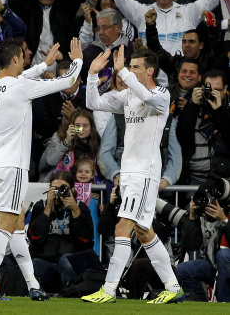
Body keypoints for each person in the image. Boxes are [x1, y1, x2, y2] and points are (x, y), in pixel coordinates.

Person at [0, 37, 83, 300]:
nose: (25, 61)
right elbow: (68, 82)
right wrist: (78, 60)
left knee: (17, 225)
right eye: (22, 57)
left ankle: (33, 285)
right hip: (11, 166)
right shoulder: (21, 86)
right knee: (5, 224)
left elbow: (19, 79)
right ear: (14, 59)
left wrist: (41, 65)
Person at [82, 46, 183, 304]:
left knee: (122, 226)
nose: (129, 71)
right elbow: (93, 103)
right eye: (130, 66)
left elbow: (147, 97)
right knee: (143, 230)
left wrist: (123, 72)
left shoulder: (161, 94)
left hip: (144, 173)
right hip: (129, 172)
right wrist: (93, 76)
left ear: (150, 71)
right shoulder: (128, 95)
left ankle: (109, 289)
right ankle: (172, 286)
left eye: (136, 67)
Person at [112, 0, 219, 84]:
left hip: (181, 77)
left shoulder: (189, 11)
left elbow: (212, 0)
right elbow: (121, 1)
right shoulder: (142, 12)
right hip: (149, 79)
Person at [28, 170, 103, 293]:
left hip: (72, 260)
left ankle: (70, 292)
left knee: (66, 261)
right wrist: (47, 210)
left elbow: (86, 240)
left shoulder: (80, 207)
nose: (59, 193)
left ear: (72, 190)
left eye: (63, 188)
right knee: (33, 265)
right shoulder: (41, 206)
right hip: (46, 260)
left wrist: (75, 211)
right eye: (54, 189)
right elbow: (35, 238)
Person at [175, 193, 230, 302]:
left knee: (223, 255)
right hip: (213, 264)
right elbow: (191, 245)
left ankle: (224, 303)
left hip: (226, 262)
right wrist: (192, 216)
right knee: (182, 270)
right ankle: (201, 305)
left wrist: (224, 220)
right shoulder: (202, 216)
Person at [39, 108, 100, 182]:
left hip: (85, 187)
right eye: (77, 125)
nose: (81, 129)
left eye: (85, 125)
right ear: (71, 126)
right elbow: (50, 160)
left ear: (91, 127)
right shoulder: (59, 137)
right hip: (56, 182)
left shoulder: (96, 142)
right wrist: (66, 142)